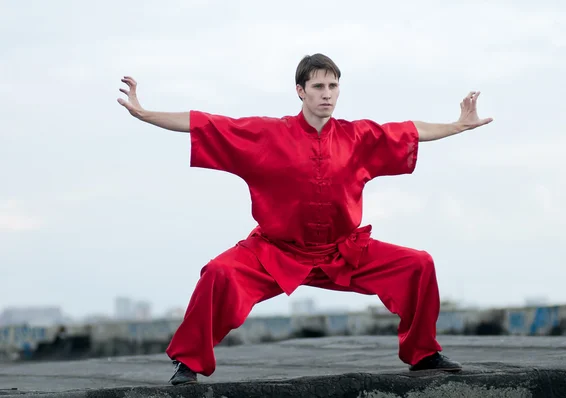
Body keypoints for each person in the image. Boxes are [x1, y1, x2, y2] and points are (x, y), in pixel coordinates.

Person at [117, 53, 493, 385]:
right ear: (301, 91)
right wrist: (144, 112)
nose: (327, 93)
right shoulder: (267, 134)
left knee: (419, 265)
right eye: (318, 86)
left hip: (343, 252)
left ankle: (423, 354)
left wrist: (458, 125)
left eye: (333, 85)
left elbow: (412, 131)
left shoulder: (358, 137)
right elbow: (204, 124)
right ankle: (188, 363)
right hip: (274, 252)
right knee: (218, 274)